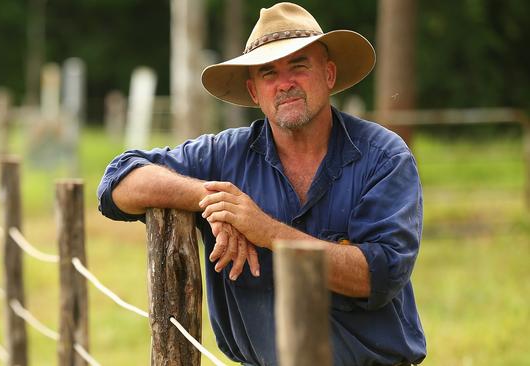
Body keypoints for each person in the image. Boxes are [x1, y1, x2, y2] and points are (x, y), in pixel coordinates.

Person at [98, 2, 426, 365]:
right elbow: (118, 181)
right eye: (268, 73)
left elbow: (378, 275)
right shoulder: (225, 156)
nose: (284, 84)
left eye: (299, 66)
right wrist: (214, 201)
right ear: (254, 92)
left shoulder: (383, 157)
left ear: (329, 74)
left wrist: (263, 229)